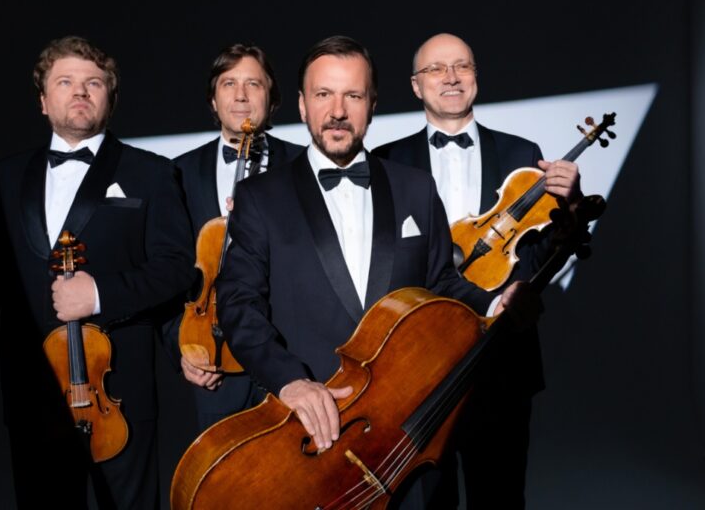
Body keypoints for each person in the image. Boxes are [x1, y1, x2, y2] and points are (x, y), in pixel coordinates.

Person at [215, 35, 540, 510]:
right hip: (311, 432)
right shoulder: (261, 197)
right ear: (303, 105)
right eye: (324, 94)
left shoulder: (415, 187)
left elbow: (441, 283)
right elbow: (238, 304)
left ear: (372, 105)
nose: (338, 111)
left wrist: (496, 303)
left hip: (408, 431)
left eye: (353, 95)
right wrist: (290, 382)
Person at [0, 35, 195, 509]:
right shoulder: (4, 177)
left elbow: (177, 268)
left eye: (93, 83)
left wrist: (99, 295)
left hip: (119, 392)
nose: (80, 91)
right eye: (65, 82)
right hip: (32, 390)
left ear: (110, 98)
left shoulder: (152, 172)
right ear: (43, 100)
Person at [372, 32, 582, 509]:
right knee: (428, 501)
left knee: (500, 497)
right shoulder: (385, 162)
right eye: (436, 68)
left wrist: (570, 212)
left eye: (461, 66)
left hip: (501, 357)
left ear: (475, 77)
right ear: (416, 85)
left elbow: (538, 258)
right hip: (417, 364)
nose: (450, 77)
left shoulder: (523, 155)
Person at [168, 43, 303, 431]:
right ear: (213, 100)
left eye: (253, 84)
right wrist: (181, 348)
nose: (241, 96)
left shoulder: (304, 166)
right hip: (213, 362)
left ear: (272, 98)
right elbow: (168, 272)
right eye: (229, 84)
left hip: (292, 358)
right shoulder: (178, 173)